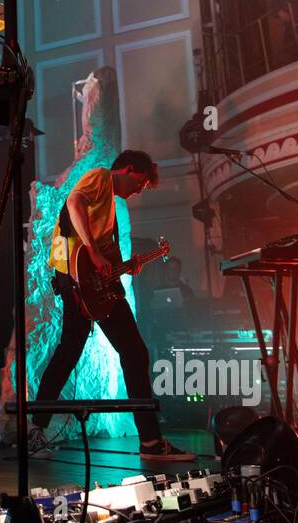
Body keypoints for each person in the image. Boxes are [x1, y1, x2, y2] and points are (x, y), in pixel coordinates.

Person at [27, 150, 195, 461]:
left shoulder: (110, 207)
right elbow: (74, 203)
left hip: (88, 283)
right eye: (141, 182)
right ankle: (150, 443)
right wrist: (92, 252)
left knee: (75, 352)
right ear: (128, 169)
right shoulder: (101, 177)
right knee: (127, 351)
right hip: (76, 279)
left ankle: (36, 431)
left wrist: (120, 265)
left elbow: (102, 256)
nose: (140, 190)